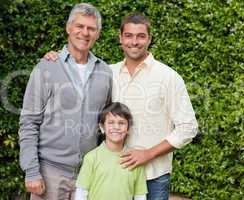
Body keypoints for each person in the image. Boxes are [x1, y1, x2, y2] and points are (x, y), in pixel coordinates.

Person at [44, 13, 198, 200]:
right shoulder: (106, 72)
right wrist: (58, 60)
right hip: (109, 175)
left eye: (141, 36)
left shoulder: (168, 77)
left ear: (149, 38)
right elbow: (75, 78)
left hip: (152, 176)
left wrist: (148, 154)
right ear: (120, 38)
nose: (134, 42)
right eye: (129, 35)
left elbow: (188, 128)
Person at [18, 3, 112, 200]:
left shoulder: (105, 71)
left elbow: (107, 123)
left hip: (89, 175)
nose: (85, 33)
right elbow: (29, 123)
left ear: (97, 34)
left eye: (91, 28)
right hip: (50, 173)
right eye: (79, 26)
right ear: (69, 28)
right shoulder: (46, 67)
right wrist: (32, 171)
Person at [75, 102, 147, 200]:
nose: (116, 127)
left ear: (128, 128)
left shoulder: (134, 159)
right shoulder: (91, 158)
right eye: (111, 122)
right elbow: (81, 192)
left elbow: (140, 196)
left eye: (121, 123)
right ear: (102, 127)